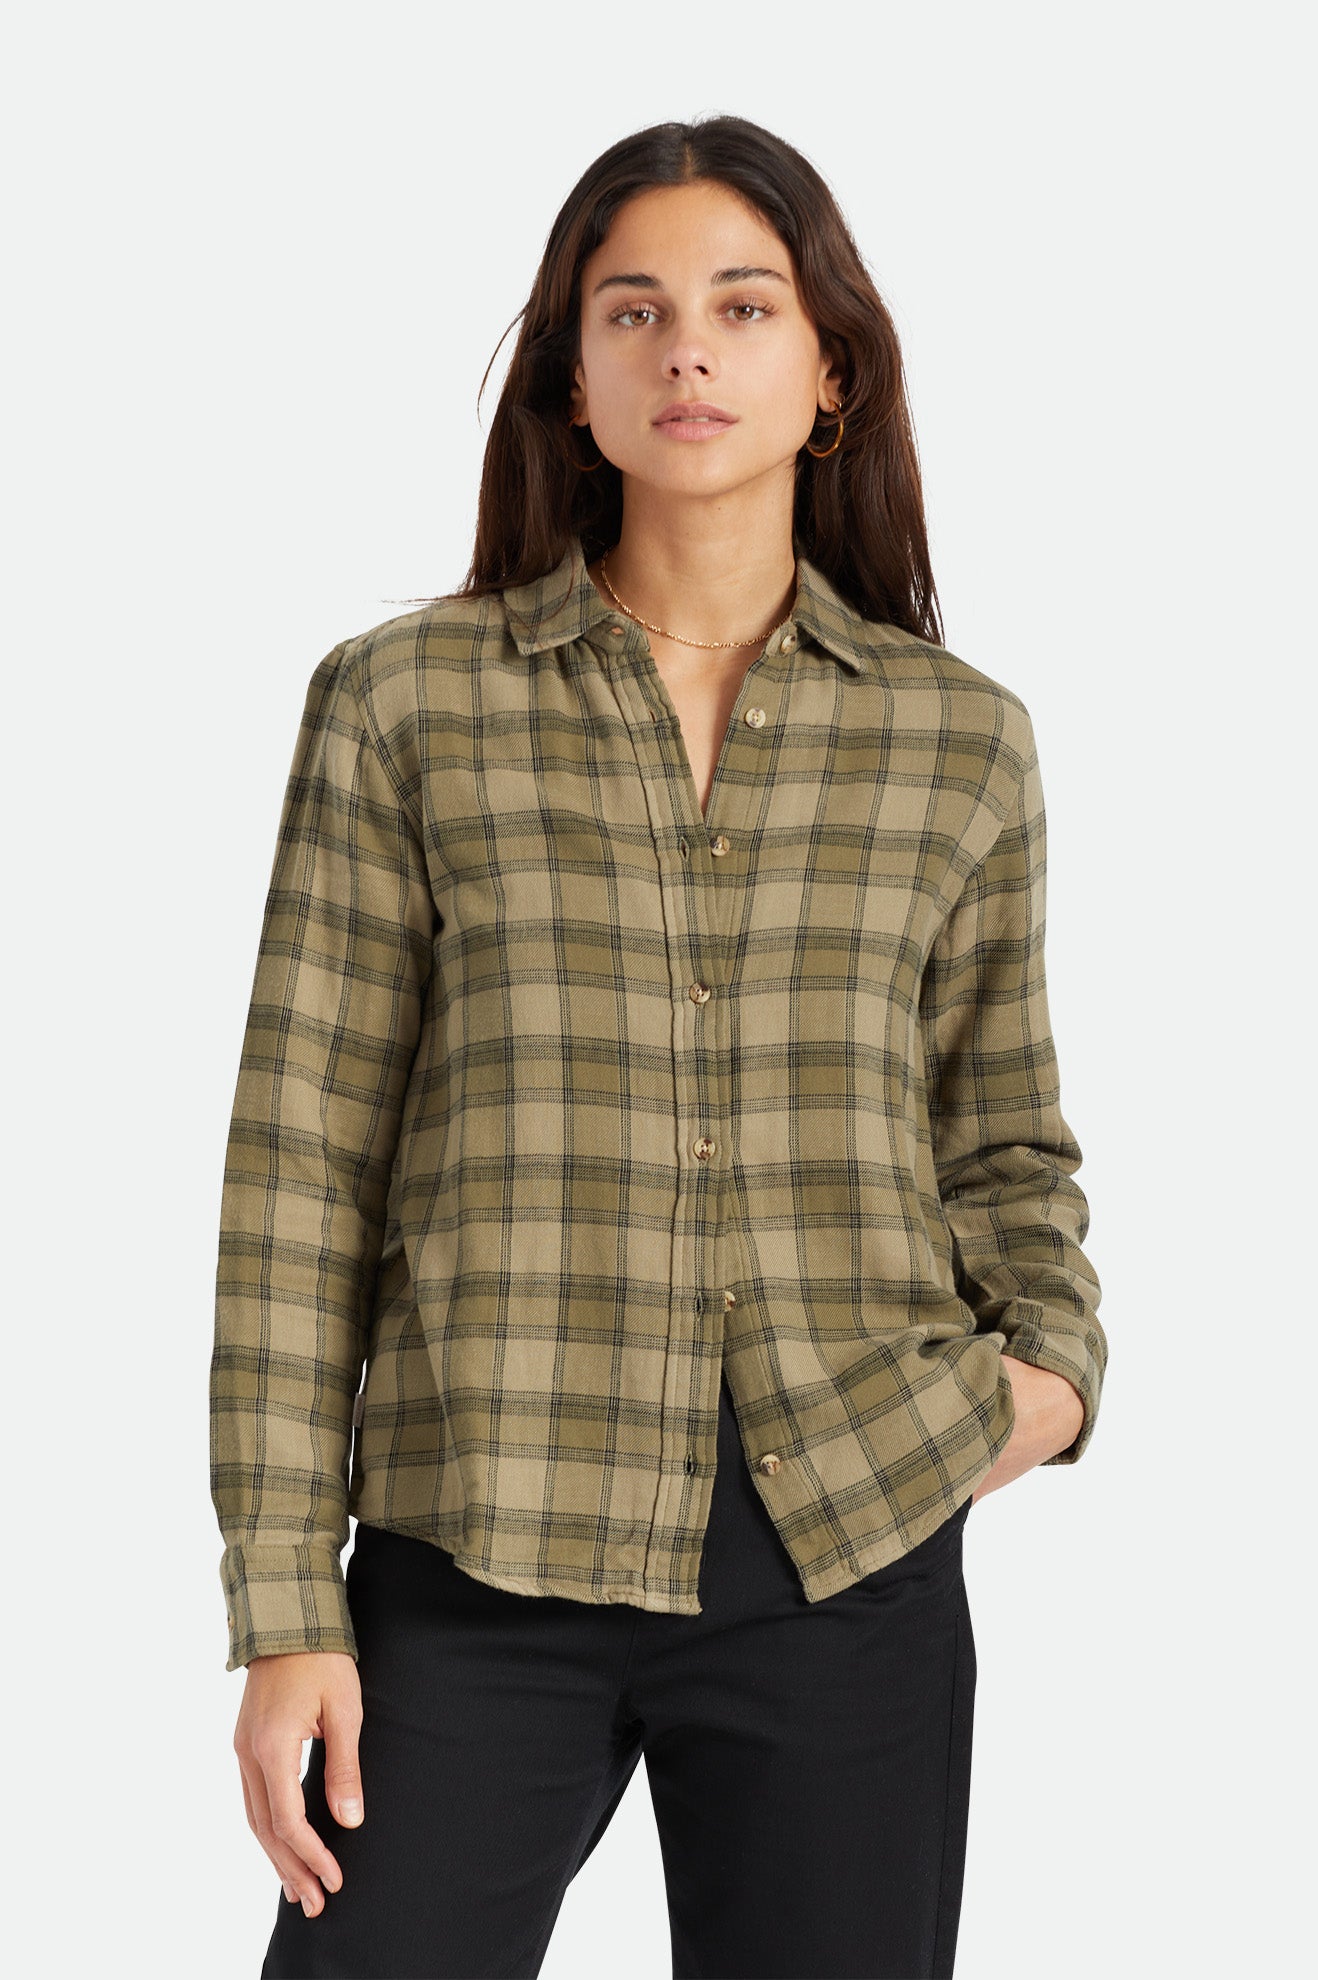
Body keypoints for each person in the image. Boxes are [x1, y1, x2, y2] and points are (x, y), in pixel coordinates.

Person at [210, 114, 1107, 1980]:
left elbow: (1004, 1142)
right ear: (574, 375)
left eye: (741, 306)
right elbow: (303, 1172)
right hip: (478, 1555)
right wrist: (288, 1598)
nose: (686, 350)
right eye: (633, 311)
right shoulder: (406, 706)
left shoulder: (957, 740)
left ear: (828, 369)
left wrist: (1050, 1379)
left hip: (848, 1553)